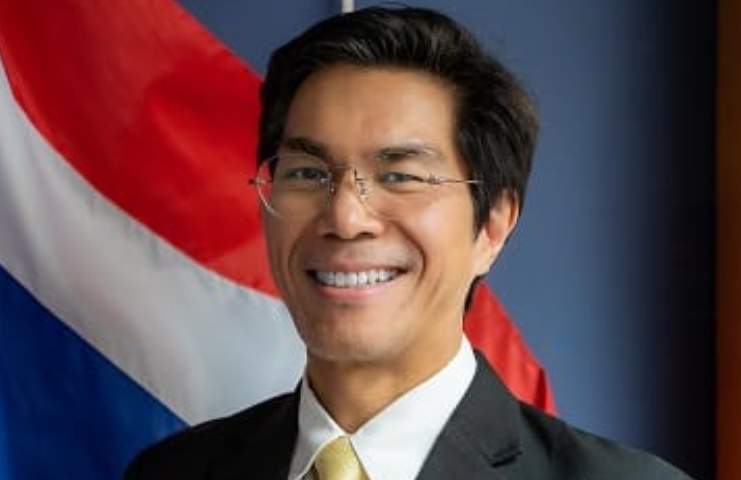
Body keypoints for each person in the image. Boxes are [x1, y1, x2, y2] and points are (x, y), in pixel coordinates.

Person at [124, 6, 694, 480]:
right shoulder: (172, 472)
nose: (345, 217)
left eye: (400, 176)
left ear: (493, 225)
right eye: (308, 173)